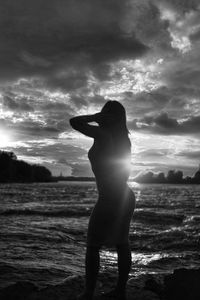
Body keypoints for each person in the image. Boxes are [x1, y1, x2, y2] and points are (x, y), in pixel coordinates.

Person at [70, 101, 135, 300]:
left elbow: (74, 122)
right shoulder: (123, 138)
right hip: (124, 196)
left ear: (112, 117)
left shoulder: (102, 134)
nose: (102, 116)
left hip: (111, 197)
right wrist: (102, 117)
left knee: (92, 245)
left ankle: (88, 293)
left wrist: (96, 117)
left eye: (106, 113)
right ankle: (120, 291)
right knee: (121, 243)